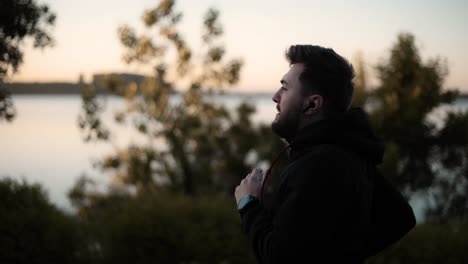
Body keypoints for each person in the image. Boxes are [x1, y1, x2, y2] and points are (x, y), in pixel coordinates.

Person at [234, 45, 416, 263]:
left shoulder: (318, 165)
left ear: (312, 104)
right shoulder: (349, 150)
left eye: (285, 87)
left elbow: (279, 257)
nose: (275, 96)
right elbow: (400, 218)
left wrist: (248, 205)